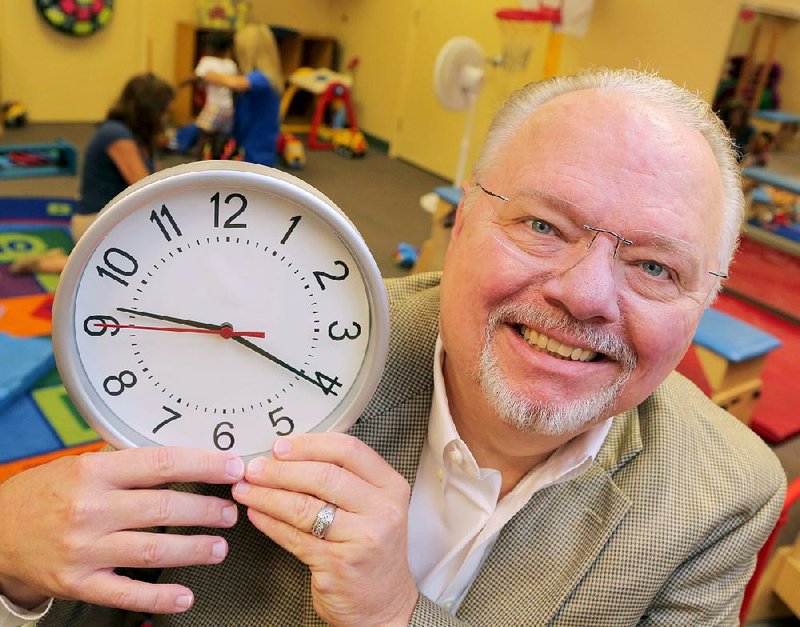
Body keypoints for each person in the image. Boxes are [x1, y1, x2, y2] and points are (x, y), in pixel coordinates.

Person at [0, 68, 786, 626]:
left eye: (655, 265)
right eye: (542, 225)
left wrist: (395, 615)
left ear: (704, 298)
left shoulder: (720, 495)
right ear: (461, 220)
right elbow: (81, 596)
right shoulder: (241, 381)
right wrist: (9, 562)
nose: (584, 294)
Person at [9, 73, 174, 274]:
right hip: (93, 223)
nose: (166, 117)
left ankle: (71, 259)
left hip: (117, 219)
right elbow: (145, 186)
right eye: (163, 111)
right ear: (148, 111)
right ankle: (53, 264)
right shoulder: (116, 135)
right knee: (149, 261)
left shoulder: (134, 136)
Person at [202, 23, 284, 167]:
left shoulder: (263, 78)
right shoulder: (259, 77)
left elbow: (235, 83)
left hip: (257, 147)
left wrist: (207, 73)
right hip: (246, 141)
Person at [193, 31, 238, 156]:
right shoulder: (231, 64)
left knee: (203, 135)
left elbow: (198, 78)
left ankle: (197, 165)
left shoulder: (207, 61)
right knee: (220, 138)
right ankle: (217, 161)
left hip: (213, 106)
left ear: (210, 47)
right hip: (228, 108)